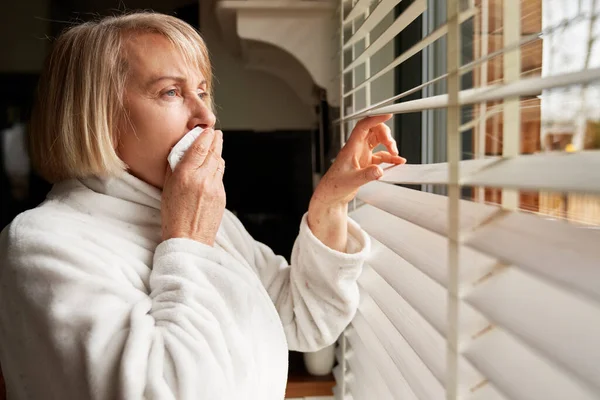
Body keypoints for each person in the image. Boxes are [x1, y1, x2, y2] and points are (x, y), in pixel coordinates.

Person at [0, 12, 405, 400]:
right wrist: (186, 241)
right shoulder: (42, 243)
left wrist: (330, 204)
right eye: (171, 92)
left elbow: (306, 322)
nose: (206, 116)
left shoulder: (209, 219)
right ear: (98, 117)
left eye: (203, 90)